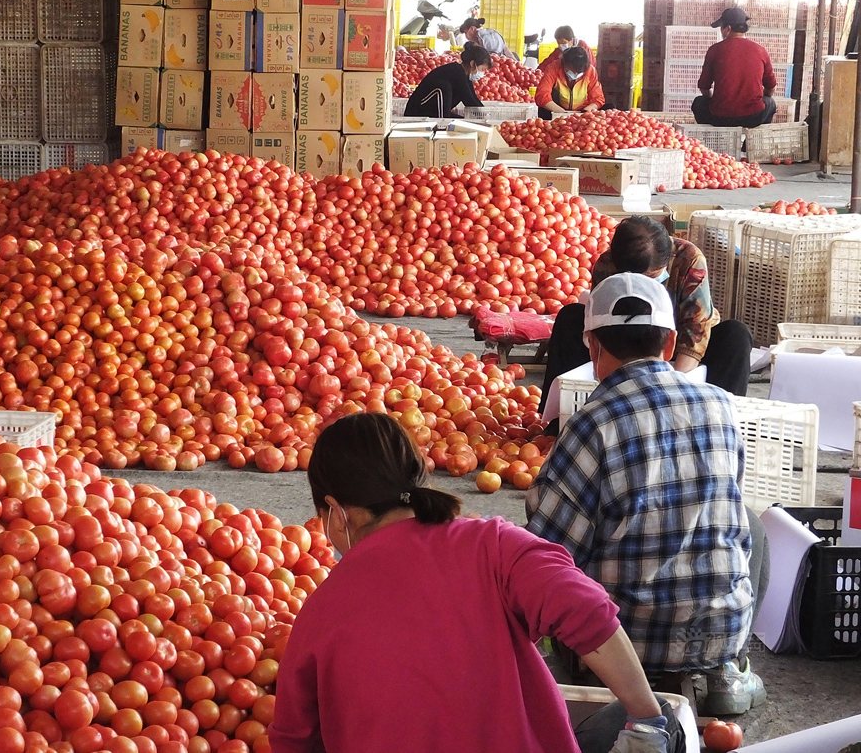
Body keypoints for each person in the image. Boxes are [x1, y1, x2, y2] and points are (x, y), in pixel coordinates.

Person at [267, 412, 685, 753]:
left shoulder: (319, 614)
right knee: (659, 716)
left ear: (336, 511)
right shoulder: (493, 545)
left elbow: (292, 740)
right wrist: (646, 721)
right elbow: (586, 610)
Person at [527, 273, 768, 717]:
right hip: (718, 633)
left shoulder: (591, 422)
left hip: (620, 646)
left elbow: (551, 549)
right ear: (672, 343)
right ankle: (726, 671)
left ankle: (603, 682)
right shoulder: (721, 405)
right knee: (751, 525)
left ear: (593, 348)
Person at [540, 215, 753, 413]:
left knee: (736, 335)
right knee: (571, 318)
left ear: (667, 260)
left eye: (652, 276)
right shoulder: (607, 266)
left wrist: (671, 385)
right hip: (628, 345)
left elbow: (696, 329)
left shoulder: (689, 260)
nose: (644, 285)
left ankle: (722, 416)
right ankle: (557, 420)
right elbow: (602, 329)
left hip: (678, 348)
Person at [692, 7, 777, 128]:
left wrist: (715, 100)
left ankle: (716, 138)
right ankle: (751, 143)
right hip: (753, 117)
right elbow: (771, 87)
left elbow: (704, 88)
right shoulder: (760, 50)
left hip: (720, 118)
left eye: (721, 28)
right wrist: (761, 96)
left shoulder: (715, 50)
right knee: (770, 102)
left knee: (699, 103)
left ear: (728, 29)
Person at [403, 43, 491, 118]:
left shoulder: (464, 74)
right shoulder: (456, 72)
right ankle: (442, 125)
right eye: (482, 69)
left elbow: (473, 98)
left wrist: (486, 116)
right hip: (417, 112)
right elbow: (468, 101)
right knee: (444, 86)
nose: (482, 73)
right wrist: (483, 117)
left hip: (433, 112)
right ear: (472, 64)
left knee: (462, 120)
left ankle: (445, 120)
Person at [536, 46, 609, 120]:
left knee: (609, 108)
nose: (576, 74)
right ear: (564, 64)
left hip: (582, 110)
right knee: (542, 109)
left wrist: (585, 112)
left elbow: (598, 98)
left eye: (579, 72)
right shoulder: (553, 68)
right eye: (572, 71)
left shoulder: (590, 71)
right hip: (558, 109)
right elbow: (542, 95)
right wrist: (562, 113)